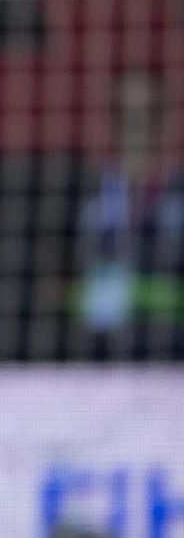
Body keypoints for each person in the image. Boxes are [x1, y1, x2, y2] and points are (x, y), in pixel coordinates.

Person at [71, 70, 183, 359]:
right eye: (127, 116)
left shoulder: (178, 190)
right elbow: (55, 280)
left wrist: (139, 294)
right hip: (99, 361)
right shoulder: (84, 190)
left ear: (165, 122)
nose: (137, 128)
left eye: (148, 116)